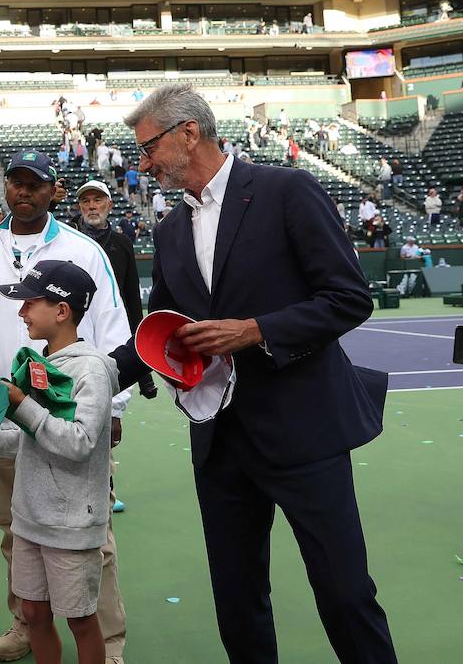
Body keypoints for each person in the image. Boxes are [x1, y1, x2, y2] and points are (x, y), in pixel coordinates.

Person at [113, 84, 395, 663]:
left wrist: (256, 330)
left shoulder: (286, 191)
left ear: (189, 132)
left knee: (345, 595)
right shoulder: (169, 231)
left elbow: (348, 299)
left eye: (148, 148)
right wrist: (76, 376)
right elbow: (162, 330)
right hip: (221, 444)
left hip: (303, 433)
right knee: (238, 601)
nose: (143, 164)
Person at [0, 153, 130, 662]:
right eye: (15, 183)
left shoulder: (84, 250)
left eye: (34, 184)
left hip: (71, 416)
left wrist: (114, 407)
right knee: (16, 529)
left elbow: (115, 331)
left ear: (54, 190)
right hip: (2, 420)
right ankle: (27, 623)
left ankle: (108, 645)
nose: (22, 192)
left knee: (93, 542)